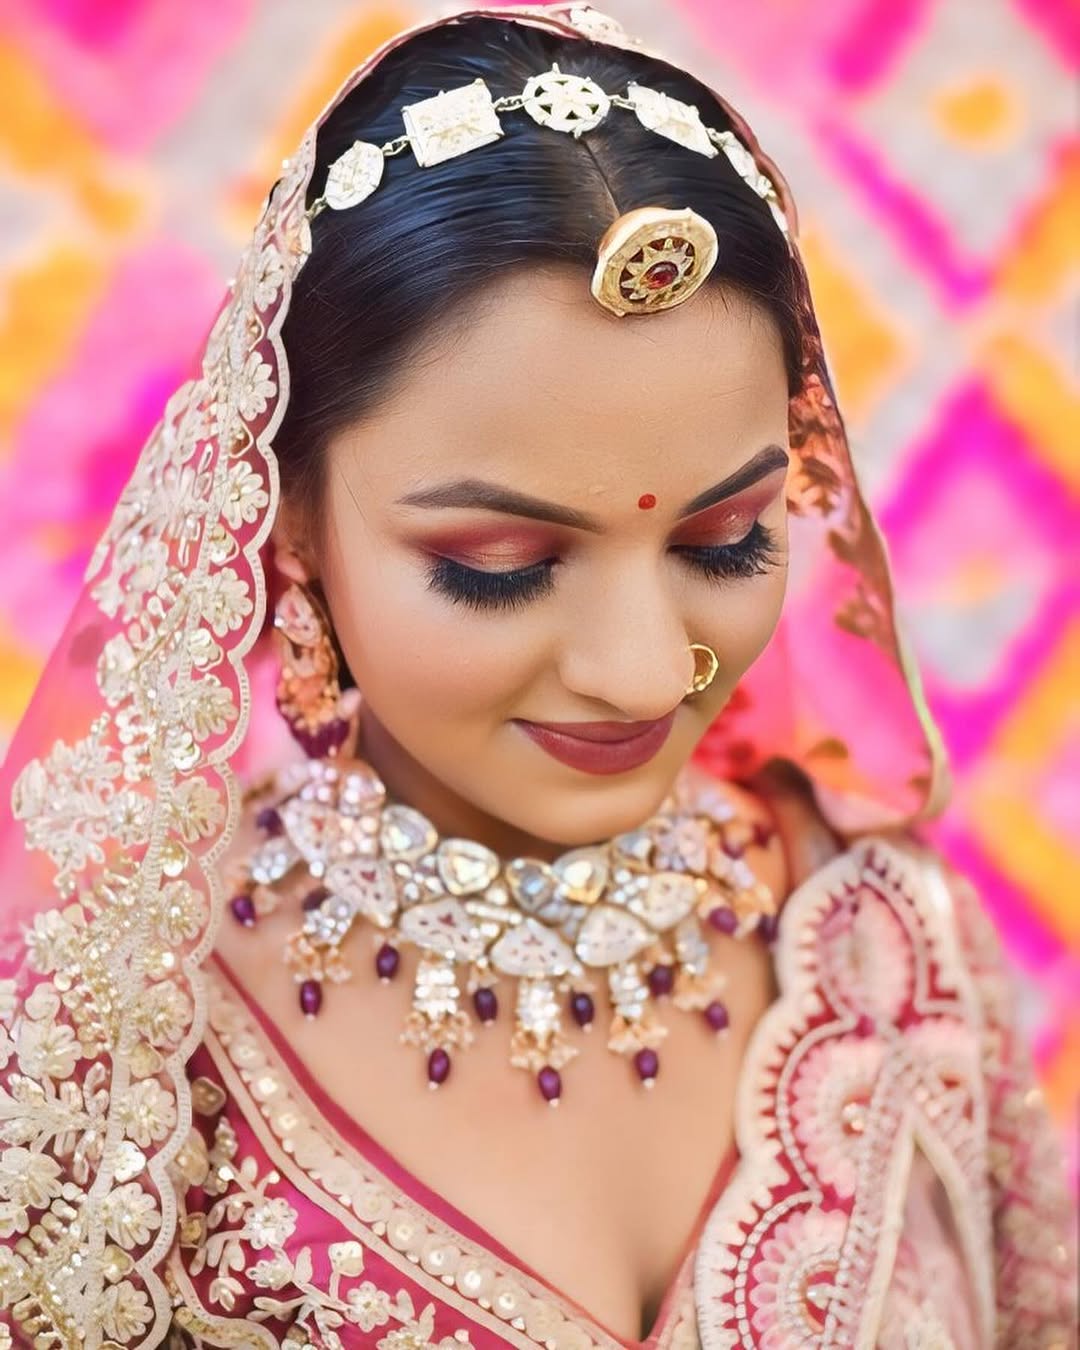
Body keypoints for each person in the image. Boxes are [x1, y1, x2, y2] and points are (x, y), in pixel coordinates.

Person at [0, 5, 1074, 1348]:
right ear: (288, 528)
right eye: (502, 564)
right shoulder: (116, 1063)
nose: (640, 675)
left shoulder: (898, 950)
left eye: (725, 539)